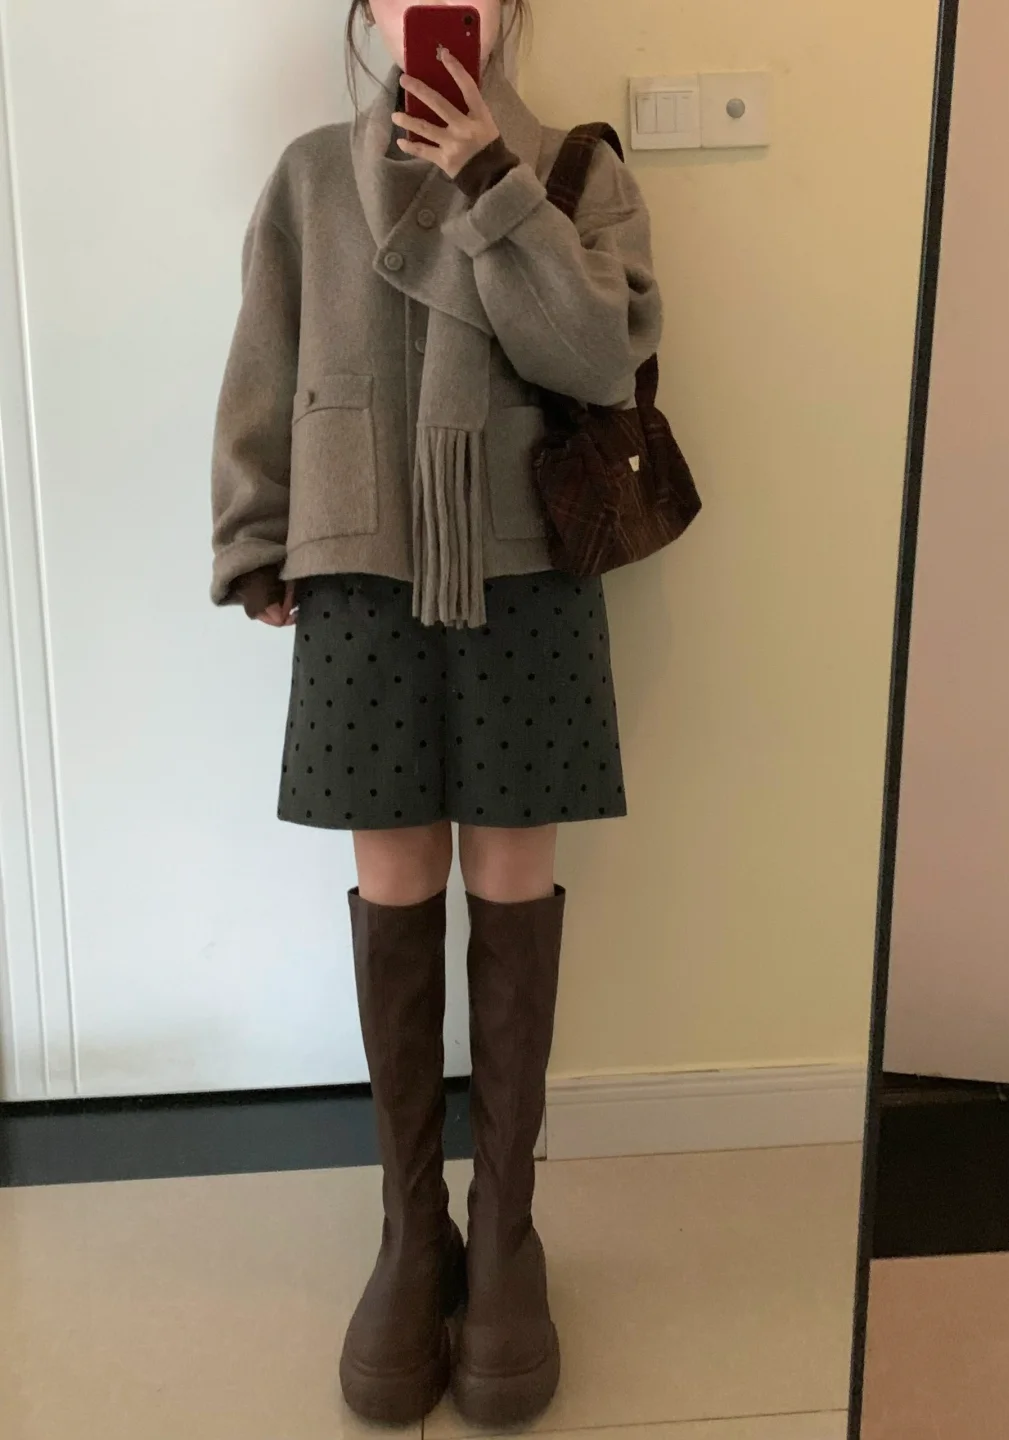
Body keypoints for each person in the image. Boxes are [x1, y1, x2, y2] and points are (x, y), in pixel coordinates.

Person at [210, 0, 661, 1425]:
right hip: (359, 564)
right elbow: (265, 365)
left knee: (513, 888)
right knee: (394, 885)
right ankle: (416, 1232)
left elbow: (599, 360)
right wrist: (254, 537)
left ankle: (506, 1235)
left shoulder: (579, 170)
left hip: (526, 570)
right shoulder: (309, 176)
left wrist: (494, 184)